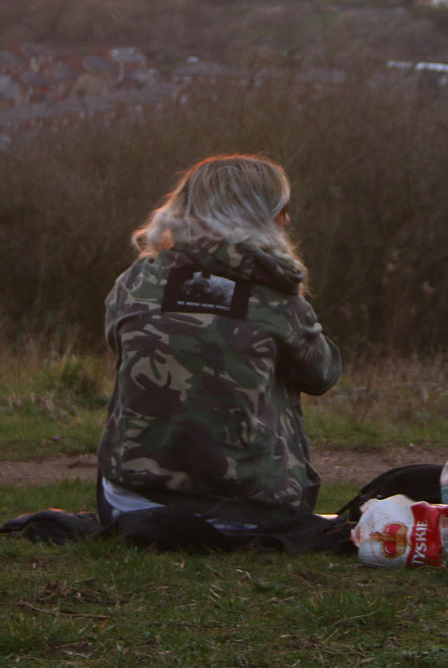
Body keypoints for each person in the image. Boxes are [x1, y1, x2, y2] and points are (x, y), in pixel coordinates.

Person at [96, 154, 342, 530]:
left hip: (130, 504)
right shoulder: (278, 298)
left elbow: (121, 348)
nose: (288, 220)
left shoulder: (134, 283)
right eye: (280, 210)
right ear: (254, 217)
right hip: (252, 514)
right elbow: (322, 374)